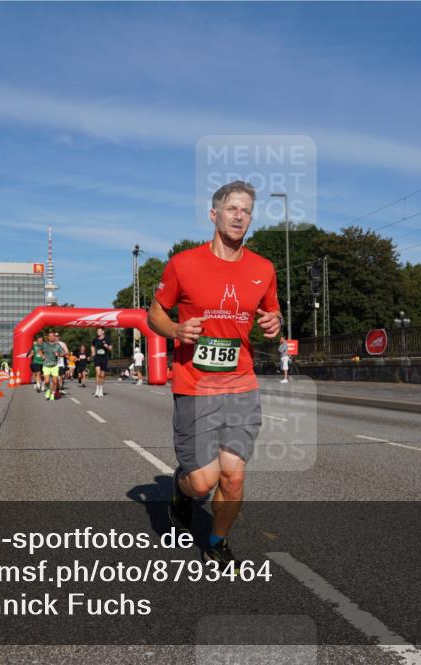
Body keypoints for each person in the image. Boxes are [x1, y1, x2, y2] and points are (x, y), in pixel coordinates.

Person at [148, 180, 281, 565]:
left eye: (246, 211)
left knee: (233, 476)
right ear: (214, 215)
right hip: (195, 384)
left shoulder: (263, 268)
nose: (240, 216)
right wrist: (174, 329)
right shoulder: (184, 264)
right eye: (232, 209)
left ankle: (218, 540)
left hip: (241, 383)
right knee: (203, 481)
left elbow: (271, 311)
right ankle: (180, 486)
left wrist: (274, 321)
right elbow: (155, 312)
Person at [41, 330, 65, 401]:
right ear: (48, 337)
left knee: (55, 382)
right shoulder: (44, 344)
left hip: (54, 366)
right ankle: (48, 390)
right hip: (46, 365)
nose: (51, 337)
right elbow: (39, 350)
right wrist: (42, 355)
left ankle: (53, 393)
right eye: (50, 336)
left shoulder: (57, 345)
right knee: (47, 381)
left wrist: (59, 354)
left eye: (52, 336)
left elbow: (63, 353)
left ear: (54, 337)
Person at [91, 327, 112, 398]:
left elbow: (111, 348)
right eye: (97, 331)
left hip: (104, 358)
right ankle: (97, 390)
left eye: (99, 331)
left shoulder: (107, 339)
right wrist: (93, 352)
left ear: (103, 332)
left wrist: (107, 347)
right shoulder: (95, 339)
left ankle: (101, 390)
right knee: (98, 373)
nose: (98, 332)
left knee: (102, 375)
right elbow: (92, 346)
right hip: (97, 358)